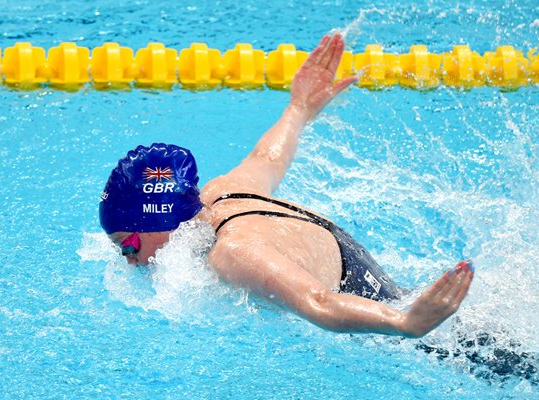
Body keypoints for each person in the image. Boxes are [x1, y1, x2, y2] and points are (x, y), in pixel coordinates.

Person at [99, 33, 474, 339]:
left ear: (159, 220)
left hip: (394, 321)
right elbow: (267, 159)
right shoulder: (220, 193)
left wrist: (404, 324)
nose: (130, 260)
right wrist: (298, 109)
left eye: (128, 244)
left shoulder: (234, 252)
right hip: (372, 281)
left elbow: (319, 302)